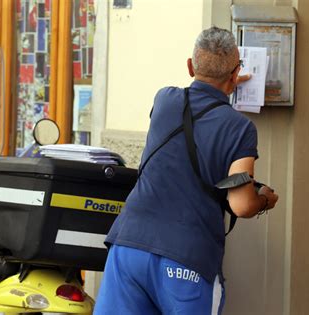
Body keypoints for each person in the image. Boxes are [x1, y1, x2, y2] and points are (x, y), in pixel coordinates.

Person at [94, 26, 279, 315]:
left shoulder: (165, 99)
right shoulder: (239, 128)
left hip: (130, 245)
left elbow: (193, 120)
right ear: (235, 74)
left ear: (191, 66)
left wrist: (223, 84)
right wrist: (265, 199)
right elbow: (241, 204)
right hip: (185, 259)